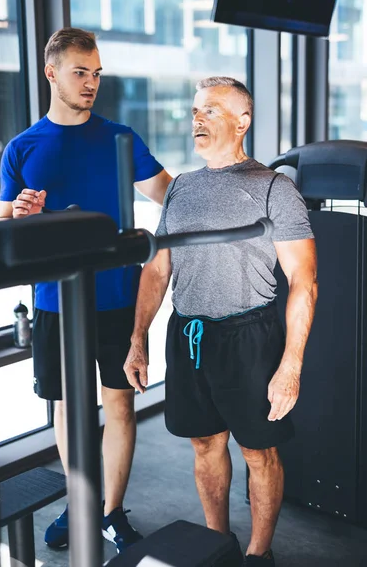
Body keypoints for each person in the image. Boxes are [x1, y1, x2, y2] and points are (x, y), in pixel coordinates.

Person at [123, 76, 318, 566]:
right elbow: (158, 269)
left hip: (248, 337)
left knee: (258, 452)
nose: (197, 119)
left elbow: (304, 281)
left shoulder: (274, 188)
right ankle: (216, 544)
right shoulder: (182, 189)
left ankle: (258, 554)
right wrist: (138, 338)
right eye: (194, 111)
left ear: (242, 121)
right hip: (188, 335)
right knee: (205, 443)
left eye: (210, 109)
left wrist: (290, 365)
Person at [0, 27, 172, 553]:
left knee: (118, 405)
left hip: (117, 298)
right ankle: (81, 500)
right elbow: (4, 229)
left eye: (96, 73)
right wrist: (22, 217)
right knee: (67, 408)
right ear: (52, 73)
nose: (91, 83)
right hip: (54, 302)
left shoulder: (120, 138)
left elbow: (172, 195)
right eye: (80, 72)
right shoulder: (23, 147)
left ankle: (110, 512)